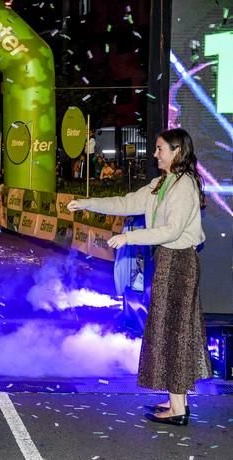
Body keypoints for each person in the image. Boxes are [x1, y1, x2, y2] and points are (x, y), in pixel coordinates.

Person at [68, 128, 210, 426]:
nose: (155, 153)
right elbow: (125, 202)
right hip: (168, 260)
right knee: (172, 330)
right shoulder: (162, 183)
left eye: (160, 149)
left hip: (180, 263)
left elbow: (171, 231)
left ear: (176, 152)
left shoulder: (184, 187)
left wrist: (130, 239)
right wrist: (87, 203)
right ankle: (176, 401)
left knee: (174, 331)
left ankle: (178, 408)